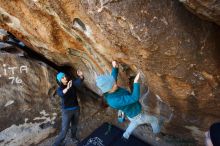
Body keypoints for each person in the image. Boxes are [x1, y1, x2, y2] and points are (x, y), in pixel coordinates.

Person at [95, 61, 160, 140]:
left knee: (134, 123)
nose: (116, 84)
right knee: (154, 120)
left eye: (114, 82)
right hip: (137, 115)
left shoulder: (109, 88)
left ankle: (125, 135)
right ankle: (157, 134)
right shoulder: (113, 101)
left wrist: (115, 68)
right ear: (108, 89)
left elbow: (113, 78)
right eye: (113, 85)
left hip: (131, 114)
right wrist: (136, 82)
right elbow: (134, 98)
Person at [53, 70, 84, 146]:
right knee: (64, 130)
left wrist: (81, 76)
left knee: (74, 126)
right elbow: (61, 94)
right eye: (62, 78)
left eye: (65, 76)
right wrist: (67, 87)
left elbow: (79, 81)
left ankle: (73, 137)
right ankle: (57, 144)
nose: (65, 78)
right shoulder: (59, 88)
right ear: (60, 80)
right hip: (66, 111)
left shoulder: (71, 83)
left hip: (76, 109)